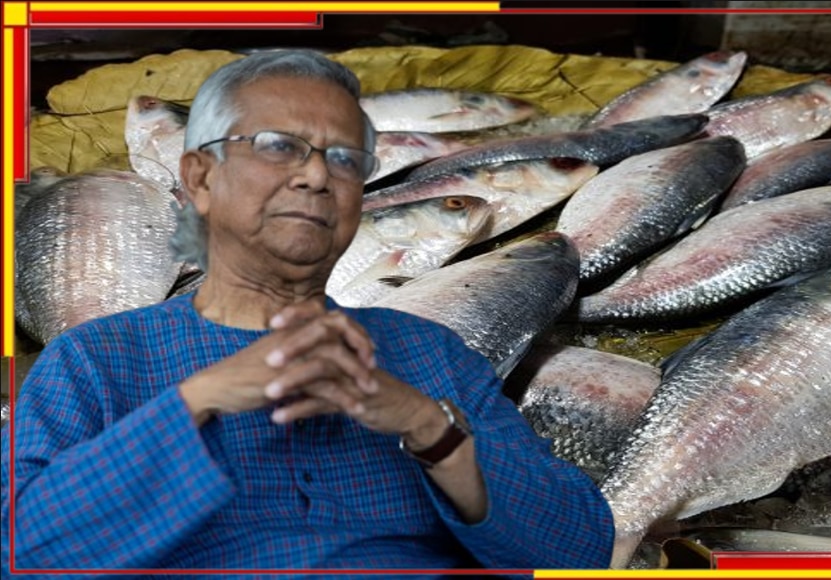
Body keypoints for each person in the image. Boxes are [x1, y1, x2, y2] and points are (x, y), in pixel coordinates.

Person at [0, 50, 614, 577]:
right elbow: (18, 553)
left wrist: (429, 428)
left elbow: (579, 551)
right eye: (278, 147)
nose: (318, 175)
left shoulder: (433, 354)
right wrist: (200, 400)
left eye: (346, 159)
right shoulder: (94, 359)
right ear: (200, 178)